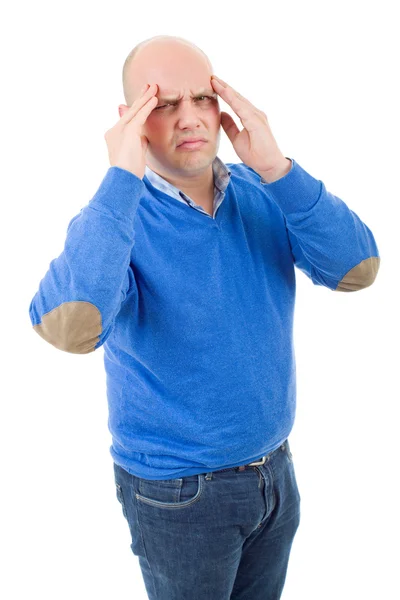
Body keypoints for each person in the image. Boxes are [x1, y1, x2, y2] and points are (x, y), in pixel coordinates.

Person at [28, 34, 380, 600]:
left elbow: (357, 268)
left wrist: (276, 166)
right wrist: (122, 177)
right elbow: (70, 327)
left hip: (275, 475)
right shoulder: (118, 220)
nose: (189, 117)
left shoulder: (263, 191)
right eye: (164, 104)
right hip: (179, 495)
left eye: (202, 97)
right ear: (132, 120)